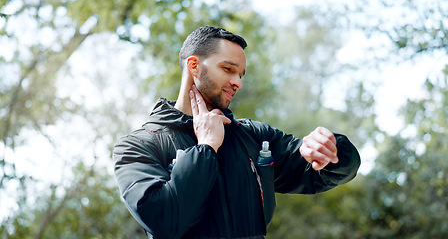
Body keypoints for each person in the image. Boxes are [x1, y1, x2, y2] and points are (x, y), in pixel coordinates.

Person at [113, 26, 361, 239]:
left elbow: (319, 173)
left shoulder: (254, 137)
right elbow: (165, 222)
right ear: (194, 66)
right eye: (228, 69)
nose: (238, 83)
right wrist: (206, 147)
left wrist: (332, 149)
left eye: (240, 74)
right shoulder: (137, 146)